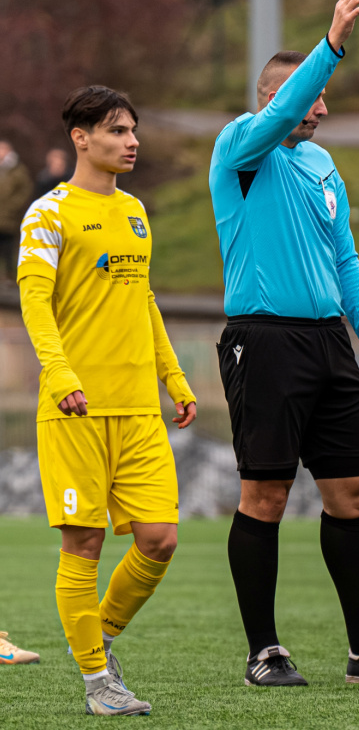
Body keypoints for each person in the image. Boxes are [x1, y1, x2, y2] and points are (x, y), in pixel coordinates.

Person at [208, 0, 359, 688]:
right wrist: (335, 42)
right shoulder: (241, 147)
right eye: (310, 96)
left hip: (327, 345)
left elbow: (344, 258)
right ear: (276, 98)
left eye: (322, 97)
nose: (320, 108)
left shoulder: (322, 167)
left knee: (353, 498)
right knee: (266, 497)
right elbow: (283, 110)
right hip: (265, 341)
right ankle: (265, 650)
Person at [17, 85, 197, 715]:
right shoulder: (47, 214)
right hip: (76, 407)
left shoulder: (136, 211)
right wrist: (62, 376)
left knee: (160, 538)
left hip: (139, 409)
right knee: (84, 544)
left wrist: (173, 378)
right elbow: (34, 304)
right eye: (118, 131)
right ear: (81, 138)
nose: (132, 142)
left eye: (134, 130)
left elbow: (143, 302)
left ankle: (99, 639)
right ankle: (98, 682)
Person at [0, 139, 32, 281]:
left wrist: (13, 206)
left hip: (9, 216)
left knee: (8, 246)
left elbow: (25, 190)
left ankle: (9, 275)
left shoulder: (17, 169)